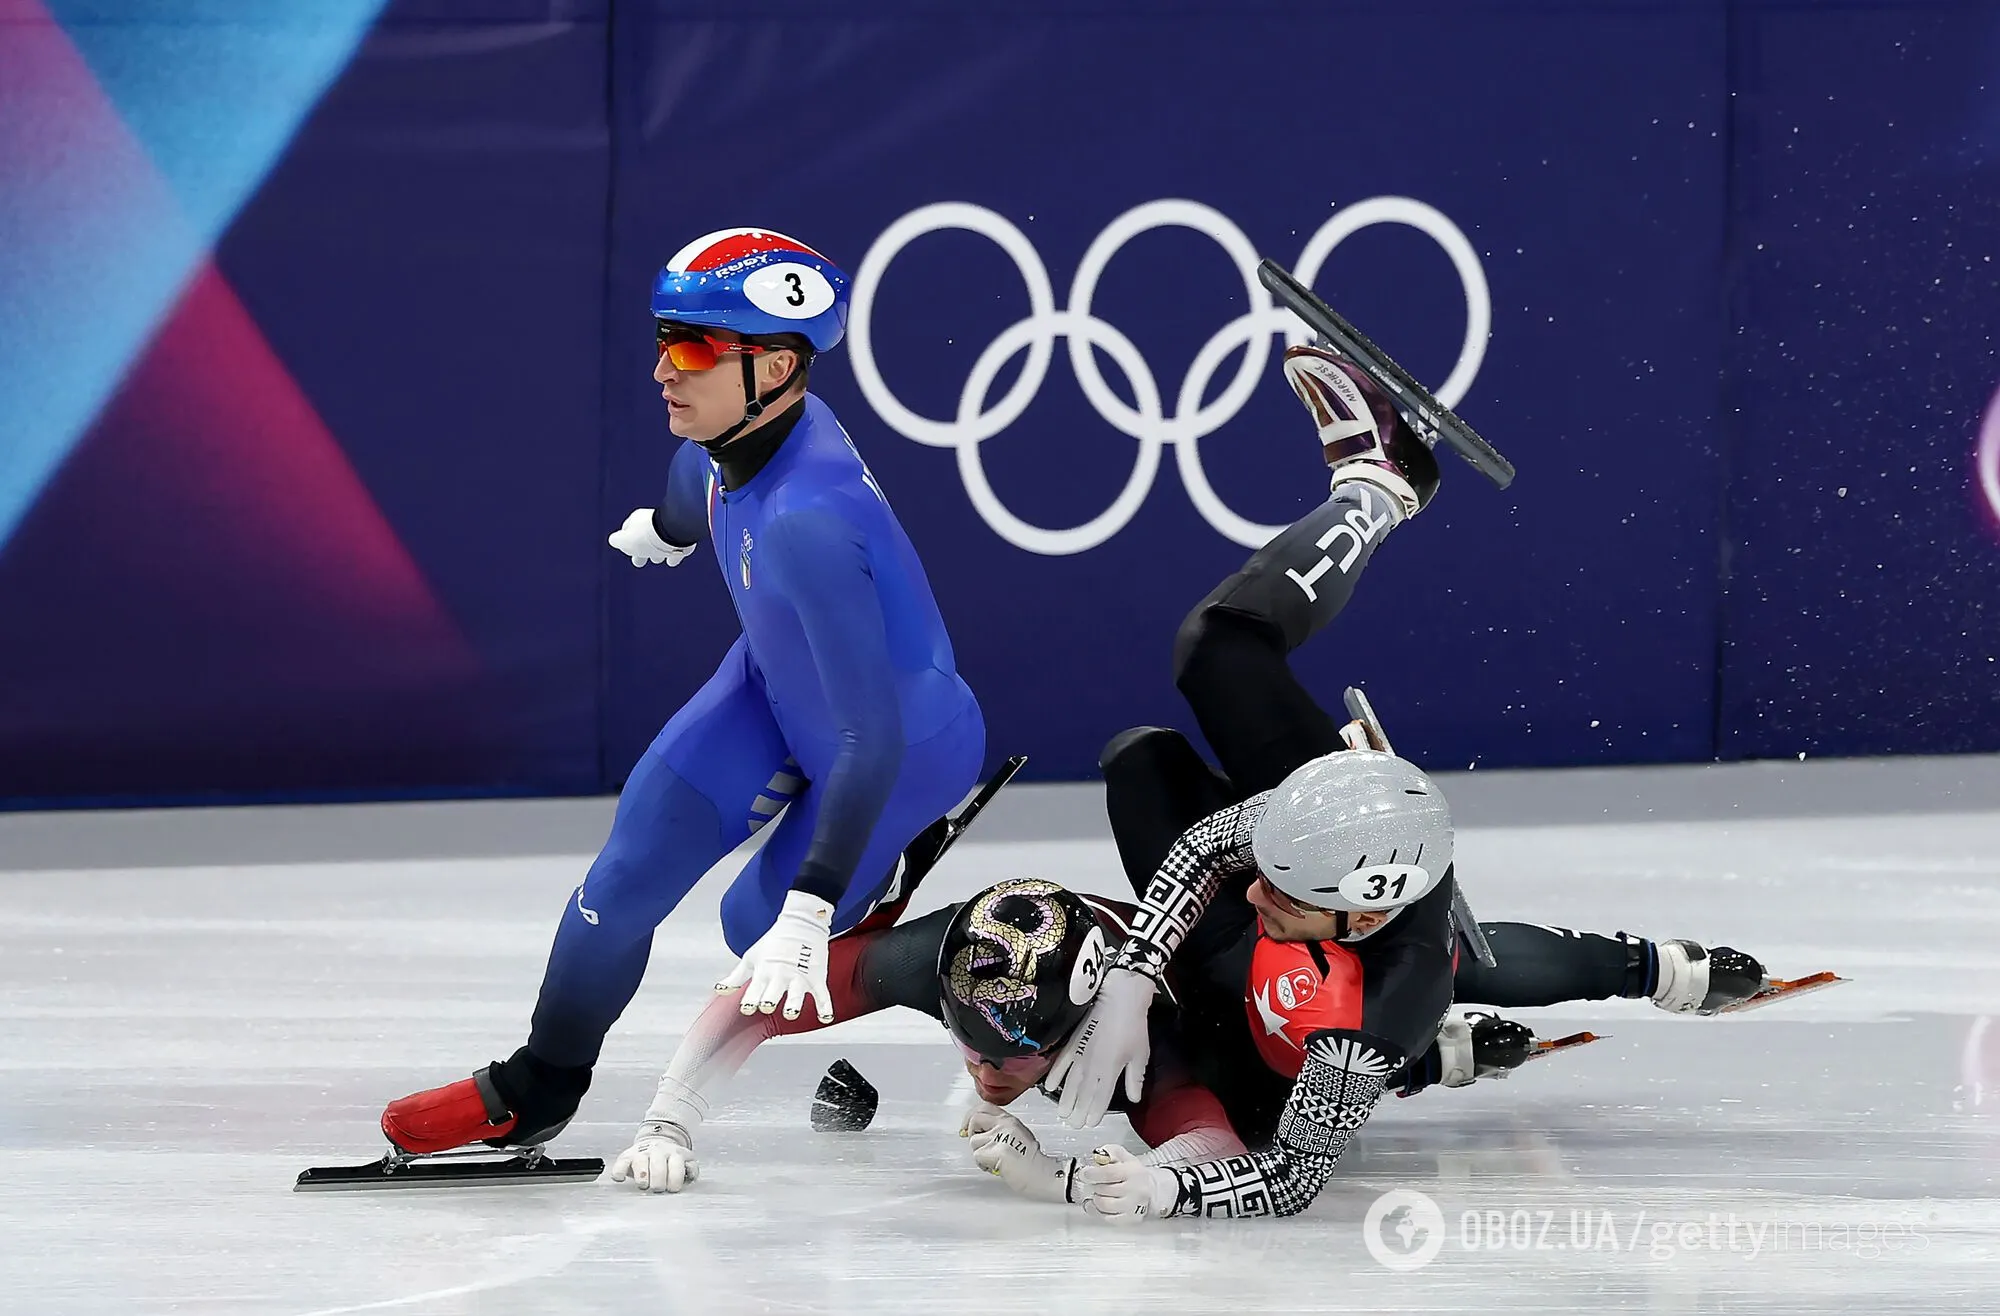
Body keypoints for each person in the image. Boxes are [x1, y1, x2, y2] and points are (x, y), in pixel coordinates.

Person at [1047, 343, 1768, 1221]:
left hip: (1354, 1008)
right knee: (1193, 682)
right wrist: (1132, 970)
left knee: (1235, 1033)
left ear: (1366, 916)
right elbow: (1208, 847)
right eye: (1270, 872)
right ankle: (1377, 488)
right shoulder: (1304, 838)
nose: (1261, 889)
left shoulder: (1392, 991)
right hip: (1339, 800)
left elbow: (1292, 1178)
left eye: (1288, 895)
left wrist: (1173, 1189)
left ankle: (1512, 1021)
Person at [379, 228, 987, 1157]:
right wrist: (667, 531)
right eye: (665, 339)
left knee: (761, 932)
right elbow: (688, 480)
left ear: (779, 365)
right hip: (781, 686)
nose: (667, 369)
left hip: (902, 744)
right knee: (624, 877)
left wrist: (813, 906)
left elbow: (872, 736)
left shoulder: (809, 523)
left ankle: (919, 938)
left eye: (697, 348)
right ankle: (537, 1085)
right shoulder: (723, 438)